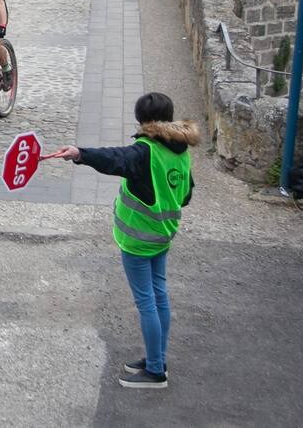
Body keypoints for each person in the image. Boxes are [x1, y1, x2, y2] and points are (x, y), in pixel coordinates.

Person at [52, 92, 200, 390]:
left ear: (142, 121)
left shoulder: (144, 151)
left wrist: (79, 153)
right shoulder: (181, 150)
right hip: (163, 235)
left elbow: (114, 158)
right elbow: (186, 195)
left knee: (146, 301)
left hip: (137, 240)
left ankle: (156, 371)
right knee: (159, 295)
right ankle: (156, 356)